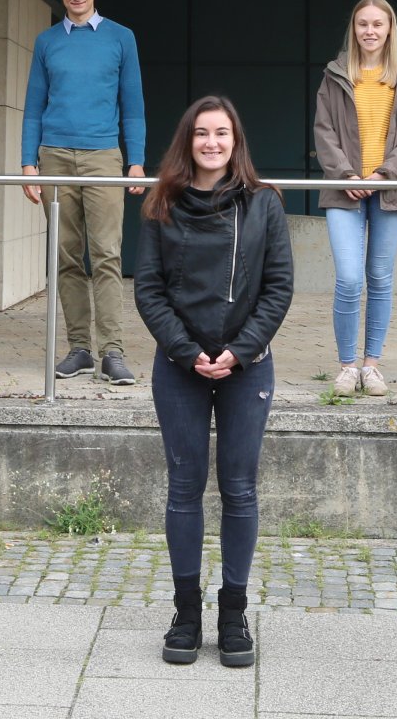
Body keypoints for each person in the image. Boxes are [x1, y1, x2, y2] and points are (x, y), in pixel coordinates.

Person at [136, 96, 293, 670]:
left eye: (221, 133)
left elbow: (279, 288)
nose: (211, 142)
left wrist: (238, 351)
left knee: (239, 488)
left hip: (246, 365)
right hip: (179, 366)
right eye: (201, 133)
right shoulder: (161, 202)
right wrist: (186, 351)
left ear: (235, 140)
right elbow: (148, 289)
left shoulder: (264, 204)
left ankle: (233, 613)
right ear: (188, 140)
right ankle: (186, 613)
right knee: (183, 488)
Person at [22, 0, 148, 387]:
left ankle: (112, 351)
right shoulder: (46, 42)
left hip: (103, 156)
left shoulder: (121, 38)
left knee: (108, 255)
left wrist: (136, 160)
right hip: (53, 156)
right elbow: (34, 106)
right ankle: (80, 349)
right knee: (66, 257)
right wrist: (28, 163)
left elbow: (133, 104)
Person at [312, 0, 397, 398]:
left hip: (390, 188)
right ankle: (346, 366)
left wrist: (383, 173)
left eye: (378, 24)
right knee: (348, 278)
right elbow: (323, 130)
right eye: (363, 24)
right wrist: (346, 172)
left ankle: (371, 366)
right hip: (344, 187)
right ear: (354, 29)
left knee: (379, 278)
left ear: (390, 29)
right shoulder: (335, 74)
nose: (370, 31)